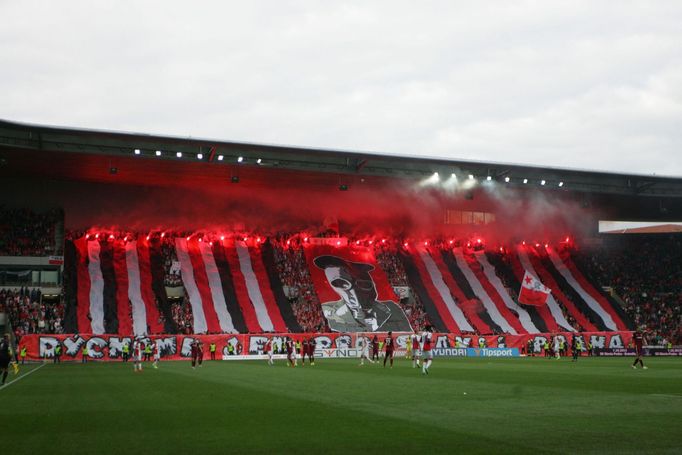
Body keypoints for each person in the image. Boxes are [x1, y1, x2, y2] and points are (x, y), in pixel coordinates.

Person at [313, 255, 412, 332]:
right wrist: (369, 327)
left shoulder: (391, 308)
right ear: (334, 287)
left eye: (363, 284)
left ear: (373, 286)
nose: (355, 292)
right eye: (342, 283)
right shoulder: (331, 312)